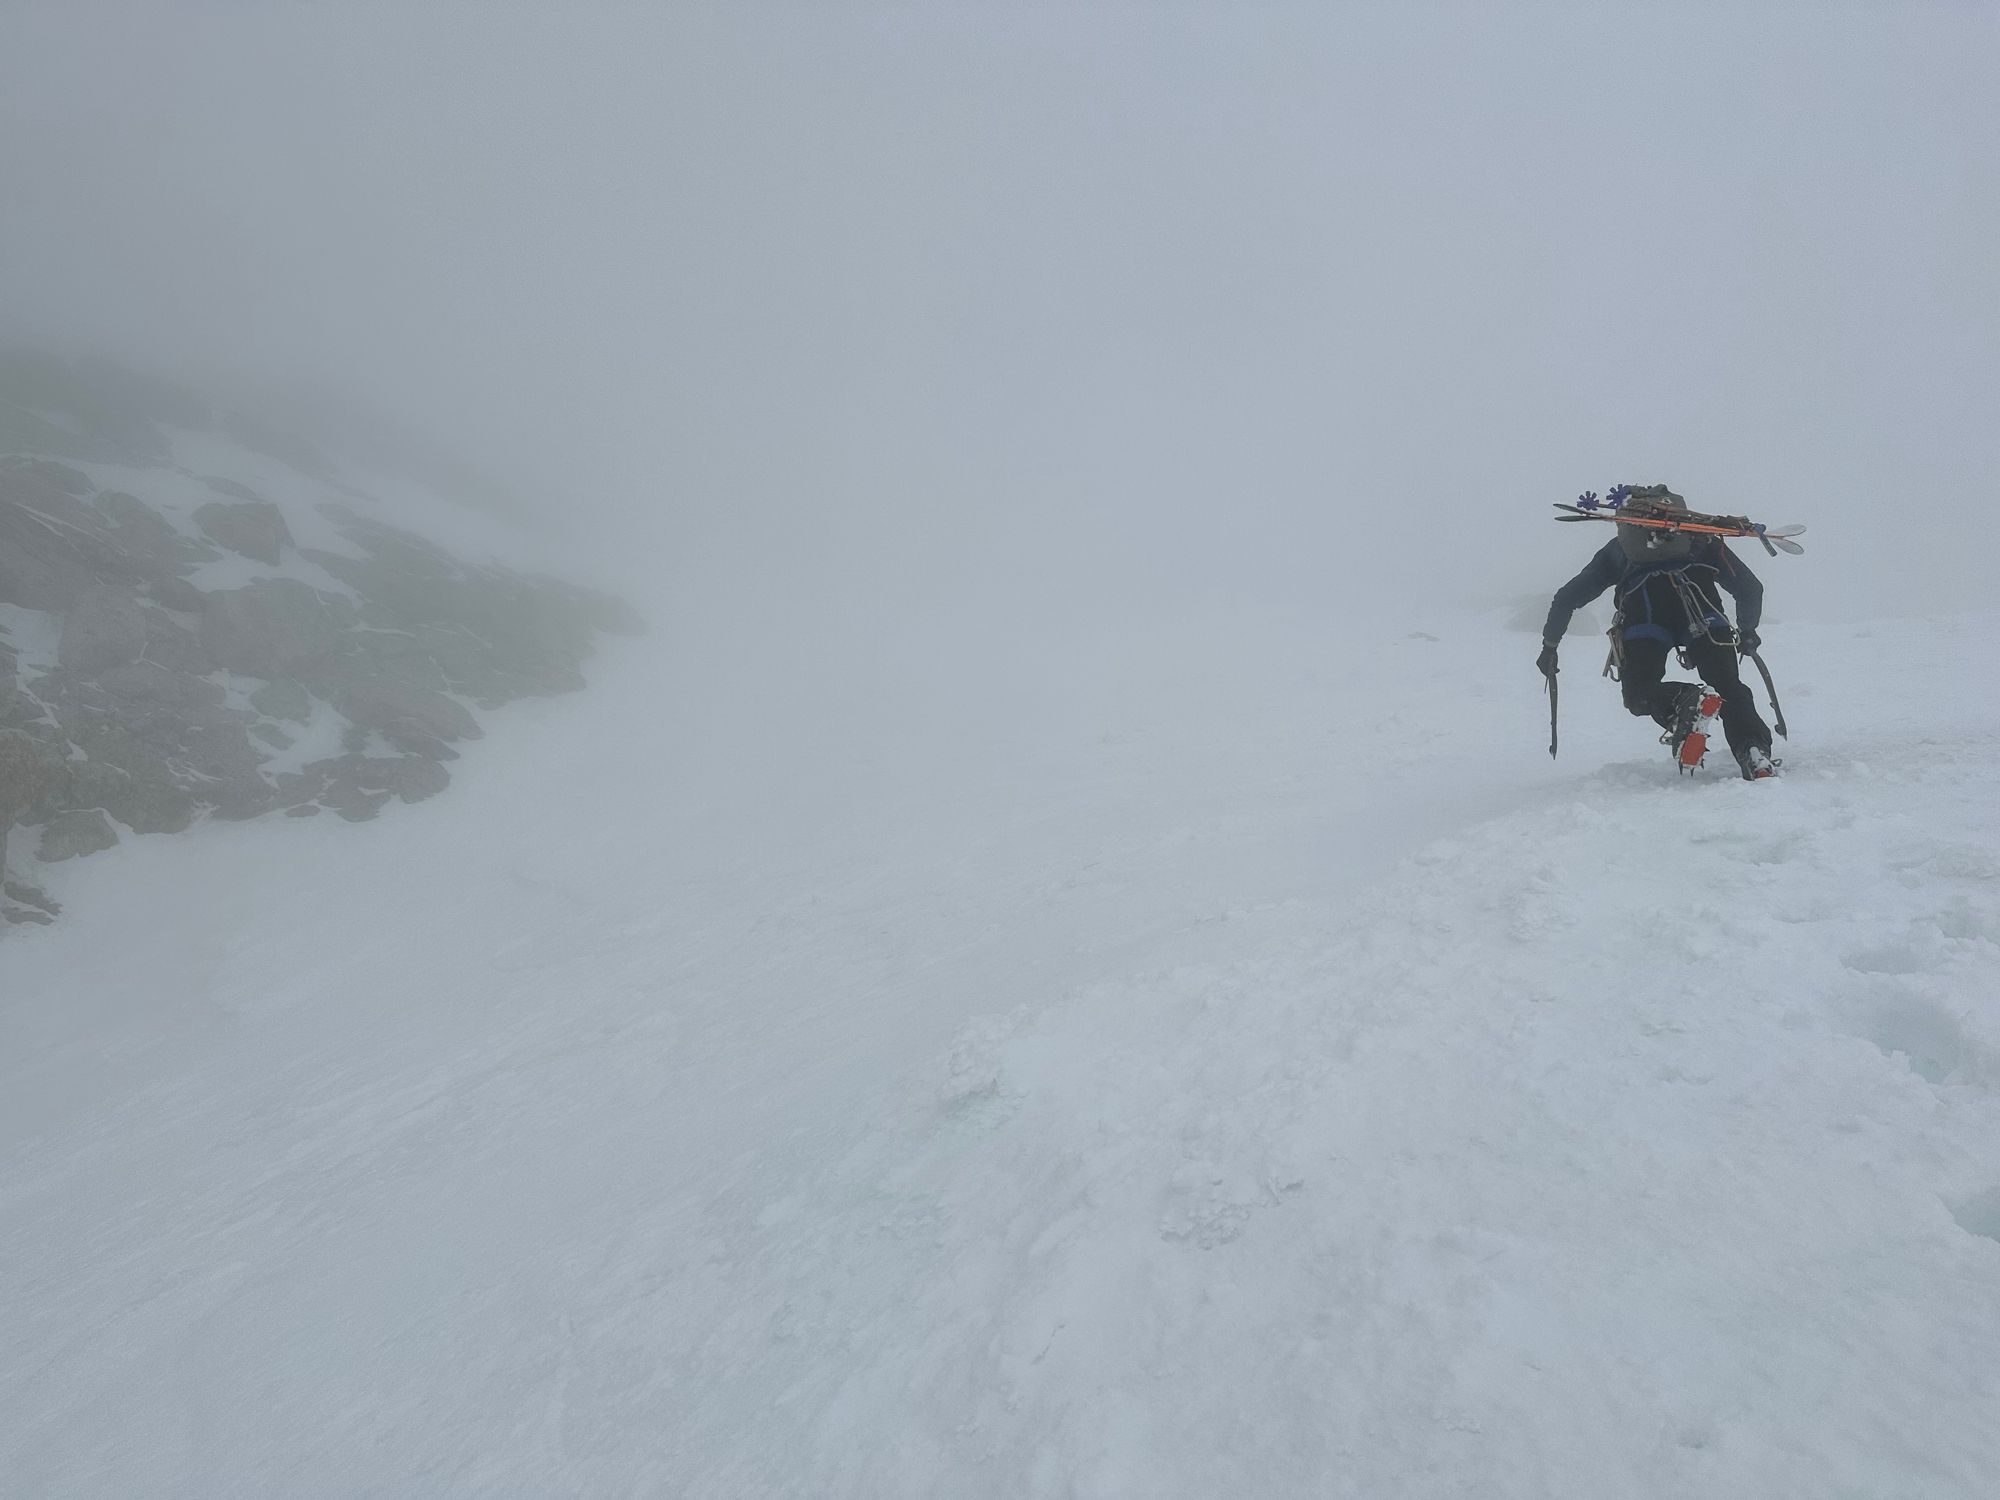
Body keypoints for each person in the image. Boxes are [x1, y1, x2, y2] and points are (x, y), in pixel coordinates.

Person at [1538, 485, 1777, 779]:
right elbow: (1750, 588)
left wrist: (1550, 644)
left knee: (1639, 692)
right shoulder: (1701, 537)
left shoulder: (1620, 549)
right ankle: (1754, 752)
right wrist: (1748, 630)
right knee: (1729, 687)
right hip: (1705, 615)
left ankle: (1682, 703)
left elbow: (1566, 597)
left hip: (1644, 620)